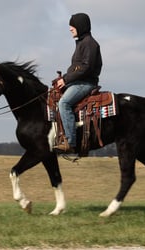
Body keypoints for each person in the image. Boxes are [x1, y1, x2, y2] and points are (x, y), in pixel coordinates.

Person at [54, 13, 102, 153]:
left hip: (85, 83)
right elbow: (77, 67)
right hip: (78, 81)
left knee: (64, 103)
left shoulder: (90, 44)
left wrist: (66, 79)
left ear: (80, 26)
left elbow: (86, 67)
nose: (70, 28)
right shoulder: (82, 43)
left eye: (72, 25)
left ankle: (70, 142)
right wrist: (64, 79)